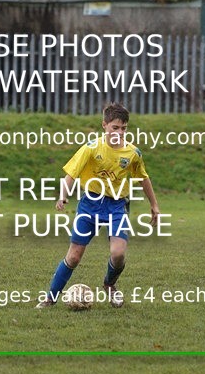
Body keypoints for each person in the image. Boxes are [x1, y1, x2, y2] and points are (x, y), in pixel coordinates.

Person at [36, 102, 160, 309]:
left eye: (123, 128)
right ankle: (50, 298)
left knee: (118, 253)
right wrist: (62, 196)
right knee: (74, 256)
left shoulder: (132, 153)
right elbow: (71, 174)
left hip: (117, 206)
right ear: (104, 125)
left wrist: (154, 205)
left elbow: (143, 178)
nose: (119, 133)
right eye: (115, 127)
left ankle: (109, 284)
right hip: (90, 205)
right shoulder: (91, 148)